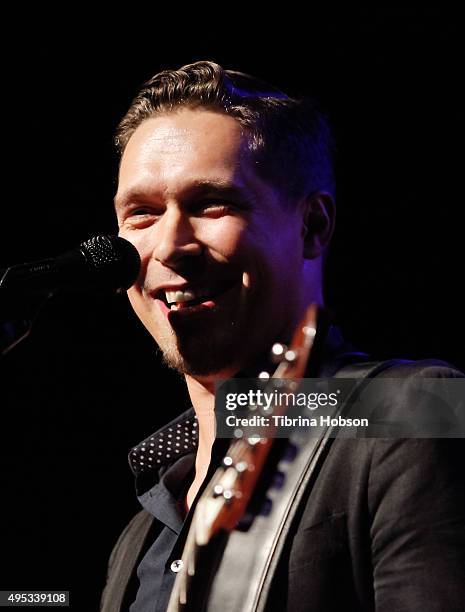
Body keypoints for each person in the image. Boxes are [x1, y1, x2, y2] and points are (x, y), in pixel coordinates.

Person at [100, 61, 465, 611]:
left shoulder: (414, 411)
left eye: (211, 203)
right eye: (142, 214)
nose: (170, 245)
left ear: (313, 225)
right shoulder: (137, 536)